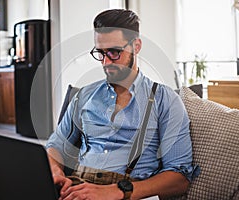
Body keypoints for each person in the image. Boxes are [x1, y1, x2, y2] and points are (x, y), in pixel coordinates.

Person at [46, 9, 198, 200]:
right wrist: (55, 173)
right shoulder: (83, 95)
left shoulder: (165, 100)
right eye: (100, 53)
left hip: (126, 193)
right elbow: (56, 145)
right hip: (78, 189)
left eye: (115, 52)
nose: (106, 62)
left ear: (136, 46)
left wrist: (119, 192)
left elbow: (179, 177)